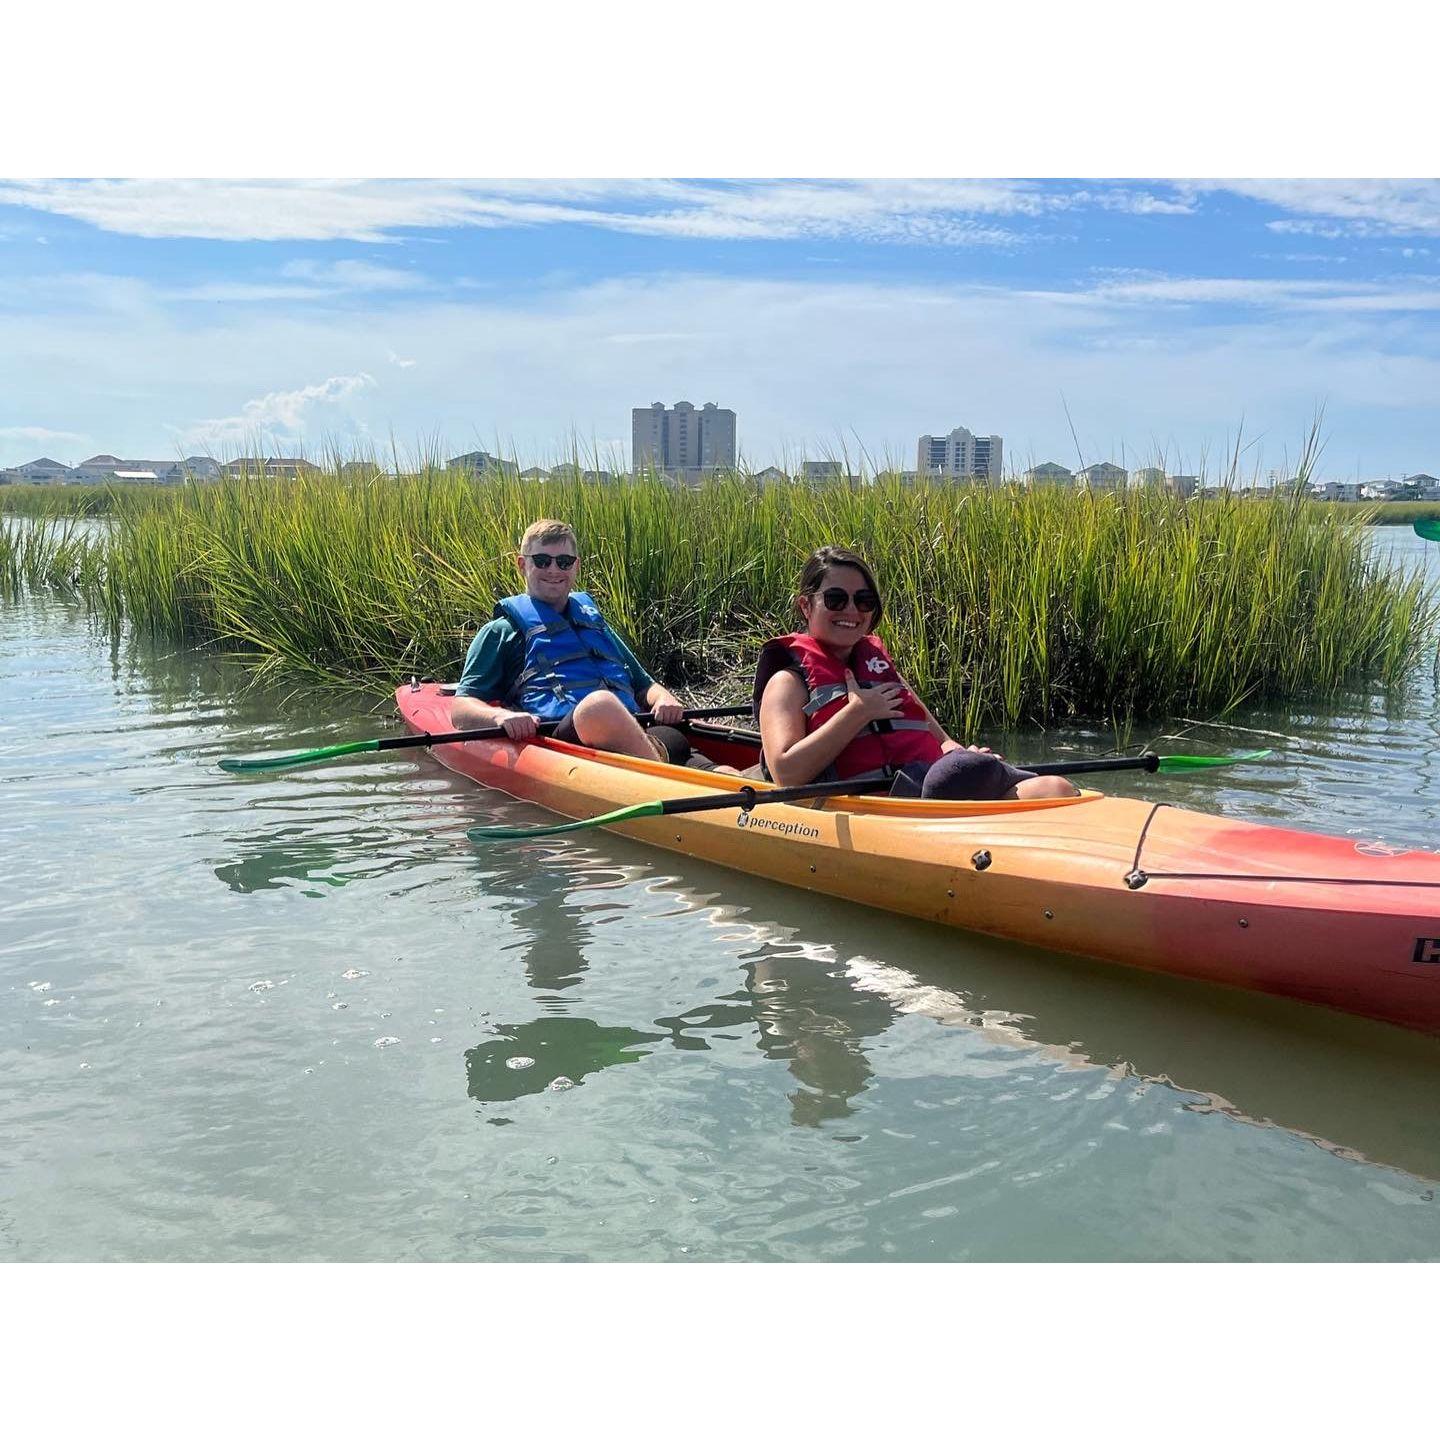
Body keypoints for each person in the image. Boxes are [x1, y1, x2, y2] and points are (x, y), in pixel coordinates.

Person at [754, 545, 1079, 801]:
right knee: (948, 780)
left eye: (864, 600)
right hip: (876, 807)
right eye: (836, 599)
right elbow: (786, 774)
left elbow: (943, 742)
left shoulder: (879, 670)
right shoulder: (787, 683)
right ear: (805, 606)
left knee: (1055, 789)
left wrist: (963, 754)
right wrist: (858, 712)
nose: (852, 610)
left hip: (928, 791)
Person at [451, 518, 711, 767]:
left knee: (725, 774)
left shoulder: (594, 624)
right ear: (522, 564)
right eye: (542, 561)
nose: (553, 570)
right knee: (600, 704)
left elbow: (645, 686)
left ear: (576, 566)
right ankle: (663, 780)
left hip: (645, 733)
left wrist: (663, 698)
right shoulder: (500, 632)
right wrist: (502, 716)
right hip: (567, 741)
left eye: (564, 562)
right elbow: (461, 709)